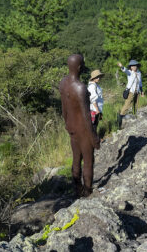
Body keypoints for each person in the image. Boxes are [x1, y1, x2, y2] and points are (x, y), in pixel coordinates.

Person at [59, 54, 100, 197]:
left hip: (71, 128)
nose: (83, 67)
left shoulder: (63, 83)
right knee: (88, 161)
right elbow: (86, 116)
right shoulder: (81, 88)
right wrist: (94, 137)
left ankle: (77, 189)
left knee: (76, 159)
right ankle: (87, 191)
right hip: (83, 130)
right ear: (78, 67)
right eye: (82, 64)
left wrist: (67, 124)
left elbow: (64, 109)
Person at [117, 59, 143, 128]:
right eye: (133, 66)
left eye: (135, 66)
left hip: (137, 92)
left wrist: (142, 91)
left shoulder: (139, 73)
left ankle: (135, 117)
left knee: (136, 105)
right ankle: (120, 118)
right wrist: (121, 66)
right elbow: (124, 70)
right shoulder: (130, 72)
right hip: (131, 92)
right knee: (127, 105)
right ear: (130, 67)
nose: (134, 67)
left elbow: (140, 83)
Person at [88, 69, 104, 133]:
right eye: (97, 77)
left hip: (97, 109)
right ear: (93, 78)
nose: (99, 78)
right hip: (94, 109)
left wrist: (99, 111)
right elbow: (92, 99)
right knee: (93, 125)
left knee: (95, 124)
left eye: (99, 77)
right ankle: (93, 140)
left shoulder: (95, 85)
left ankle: (94, 139)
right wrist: (97, 110)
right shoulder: (92, 86)